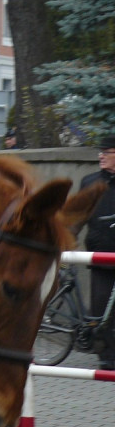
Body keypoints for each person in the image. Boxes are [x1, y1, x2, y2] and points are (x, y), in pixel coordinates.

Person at [81, 135, 115, 371]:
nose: (101, 156)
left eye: (106, 151)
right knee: (100, 307)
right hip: (100, 254)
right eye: (100, 152)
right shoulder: (90, 182)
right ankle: (105, 355)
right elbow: (77, 215)